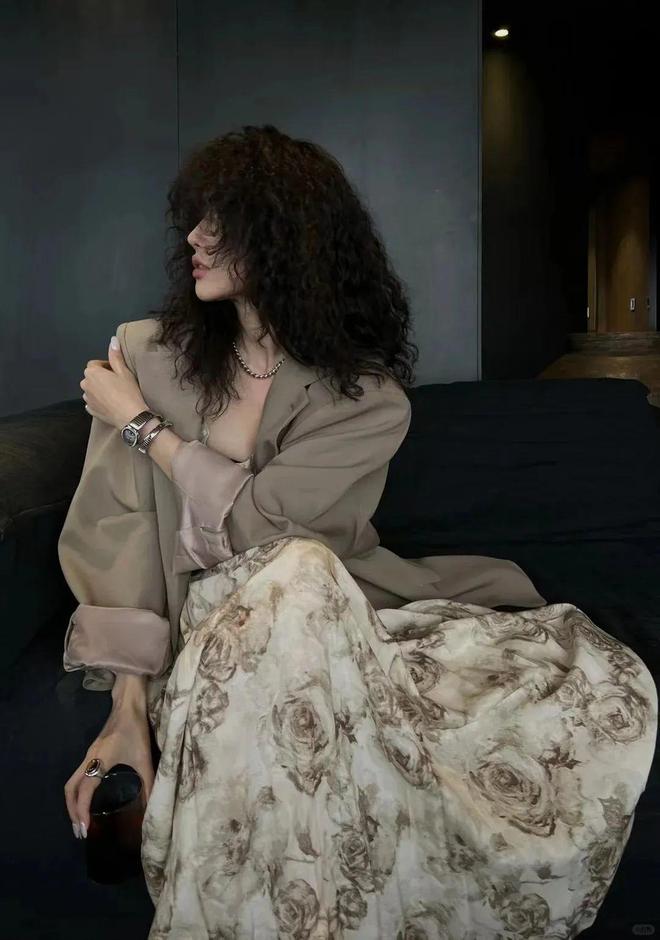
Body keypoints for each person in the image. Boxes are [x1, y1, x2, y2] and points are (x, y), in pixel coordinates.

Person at [60, 124, 657, 939]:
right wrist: (128, 709)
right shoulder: (144, 354)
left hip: (319, 617)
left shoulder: (366, 401)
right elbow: (120, 532)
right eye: (193, 218)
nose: (194, 237)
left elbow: (262, 528)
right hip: (209, 627)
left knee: (297, 567)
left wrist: (142, 428)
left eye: (221, 221)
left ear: (285, 239)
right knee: (294, 571)